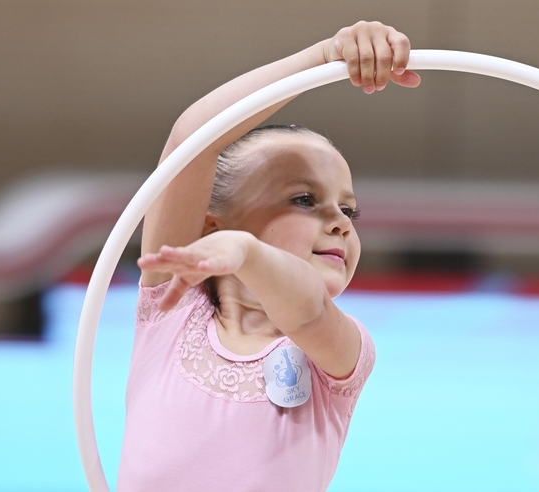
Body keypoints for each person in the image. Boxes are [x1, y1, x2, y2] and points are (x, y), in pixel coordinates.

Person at [117, 21, 421, 491]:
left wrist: (248, 254)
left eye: (349, 210)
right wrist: (321, 57)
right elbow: (189, 142)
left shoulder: (336, 350)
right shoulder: (170, 307)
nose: (340, 222)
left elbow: (307, 309)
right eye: (304, 200)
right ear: (211, 226)